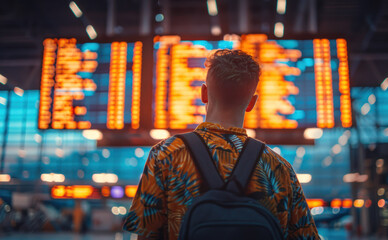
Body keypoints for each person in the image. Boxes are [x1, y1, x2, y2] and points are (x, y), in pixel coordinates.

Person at [123, 49, 320, 240]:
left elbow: (146, 234)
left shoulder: (166, 154)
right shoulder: (279, 168)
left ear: (204, 94)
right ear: (252, 103)